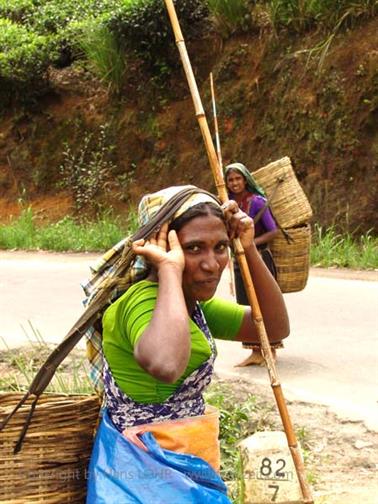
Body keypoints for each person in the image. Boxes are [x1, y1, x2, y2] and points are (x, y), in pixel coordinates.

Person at [86, 185, 289, 503]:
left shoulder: (188, 303)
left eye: (220, 247)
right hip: (145, 476)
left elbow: (273, 328)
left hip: (183, 466)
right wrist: (168, 268)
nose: (212, 264)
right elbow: (166, 365)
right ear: (159, 245)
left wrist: (247, 250)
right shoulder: (141, 302)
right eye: (194, 249)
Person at [225, 162, 281, 367]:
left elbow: (272, 231)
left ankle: (271, 349)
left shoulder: (257, 202)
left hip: (260, 259)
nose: (234, 183)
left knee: (264, 303)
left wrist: (249, 245)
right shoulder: (228, 203)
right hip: (240, 261)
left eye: (238, 179)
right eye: (230, 180)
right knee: (246, 305)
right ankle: (256, 352)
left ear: (245, 179)